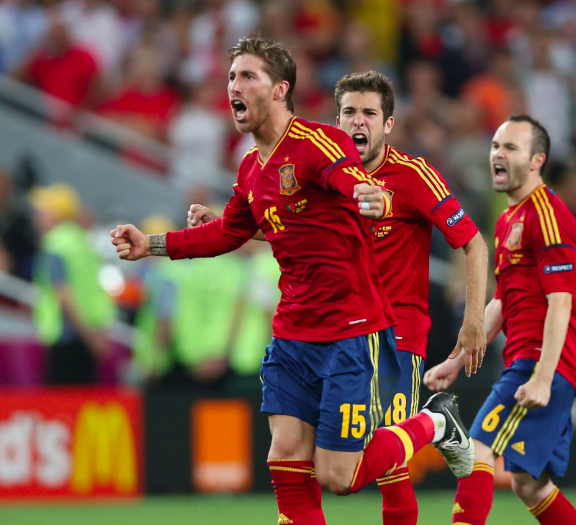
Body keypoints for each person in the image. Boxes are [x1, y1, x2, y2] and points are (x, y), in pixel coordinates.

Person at [110, 37, 475, 525]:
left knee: (338, 477)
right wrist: (151, 244)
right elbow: (227, 233)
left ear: (280, 89)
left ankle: (433, 422)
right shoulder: (250, 167)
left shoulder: (317, 142)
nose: (234, 86)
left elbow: (348, 179)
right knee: (285, 459)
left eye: (248, 76)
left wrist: (370, 195)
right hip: (292, 335)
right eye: (231, 77)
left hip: (349, 333)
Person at [425, 115, 576, 525]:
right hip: (533, 361)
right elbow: (502, 302)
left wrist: (543, 377)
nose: (498, 153)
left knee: (476, 450)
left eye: (511, 147)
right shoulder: (507, 220)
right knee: (529, 485)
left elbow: (561, 302)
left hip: (541, 362)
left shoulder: (548, 214)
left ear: (536, 161)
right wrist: (456, 361)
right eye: (496, 145)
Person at [32, 183, 115, 385]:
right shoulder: (83, 242)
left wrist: (89, 338)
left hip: (67, 336)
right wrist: (97, 336)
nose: (37, 218)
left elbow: (64, 296)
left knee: (61, 401)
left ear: (57, 215)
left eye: (43, 212)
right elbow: (93, 291)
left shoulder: (55, 244)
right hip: (90, 334)